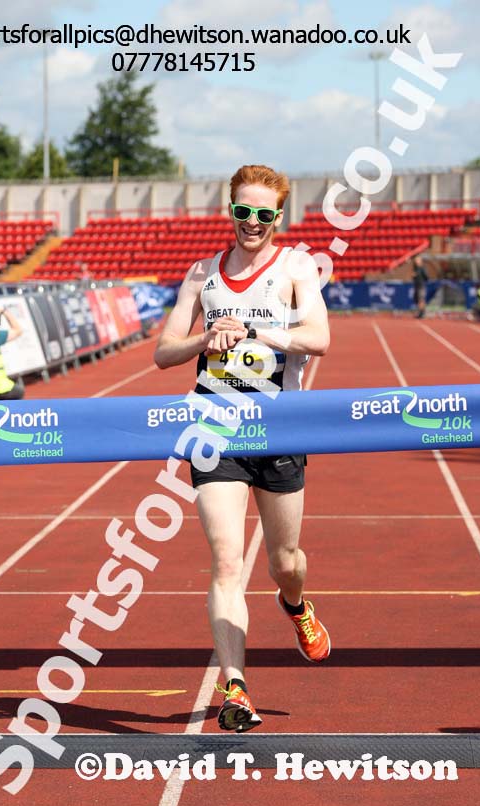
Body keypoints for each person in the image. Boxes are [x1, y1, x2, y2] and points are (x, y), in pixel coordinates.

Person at [154, 164, 331, 733]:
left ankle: (296, 605)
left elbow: (319, 338)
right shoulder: (202, 273)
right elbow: (163, 352)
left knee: (287, 562)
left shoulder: (296, 268)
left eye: (263, 214)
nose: (251, 223)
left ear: (278, 217)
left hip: (279, 430)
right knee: (227, 560)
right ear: (229, 210)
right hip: (215, 430)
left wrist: (259, 333)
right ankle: (235, 687)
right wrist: (205, 337)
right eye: (242, 211)